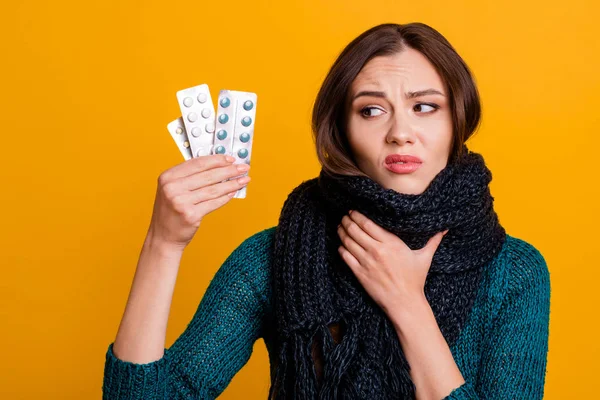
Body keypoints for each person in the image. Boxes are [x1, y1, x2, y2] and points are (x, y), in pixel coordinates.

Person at [103, 22, 551, 400]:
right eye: (371, 110)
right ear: (341, 130)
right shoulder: (277, 256)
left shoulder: (515, 272)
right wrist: (163, 244)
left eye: (424, 107)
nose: (400, 132)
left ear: (458, 121)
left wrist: (406, 303)